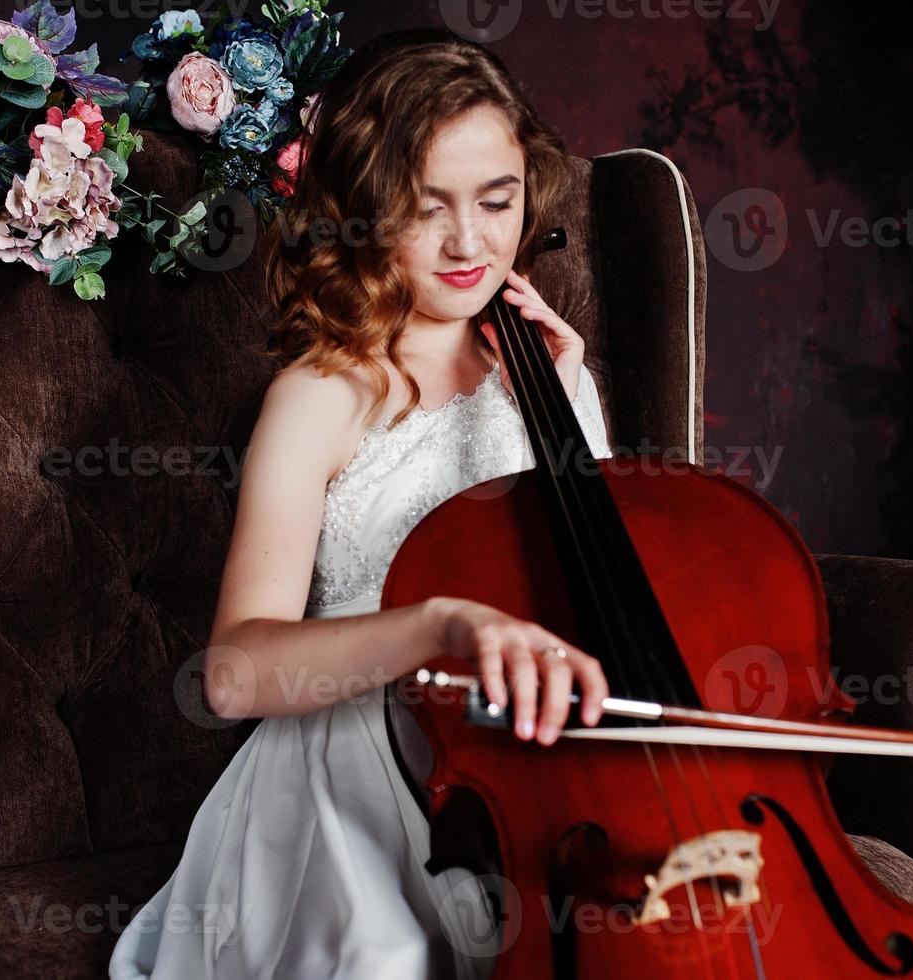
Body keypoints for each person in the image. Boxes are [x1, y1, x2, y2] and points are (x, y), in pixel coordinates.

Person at [109, 26, 615, 980]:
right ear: (363, 211)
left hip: (527, 761)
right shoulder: (323, 393)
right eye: (427, 210)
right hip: (352, 778)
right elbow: (235, 674)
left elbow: (603, 603)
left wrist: (572, 414)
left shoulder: (548, 368)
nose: (470, 243)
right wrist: (433, 626)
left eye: (497, 202)